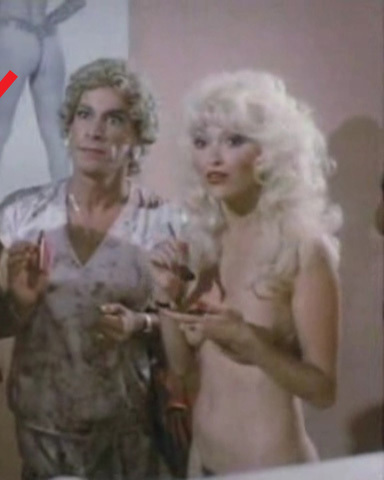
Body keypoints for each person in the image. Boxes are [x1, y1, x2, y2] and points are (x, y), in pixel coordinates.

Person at [0, 57, 180, 480]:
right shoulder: (19, 216)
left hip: (131, 431)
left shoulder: (165, 223)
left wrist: (140, 324)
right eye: (84, 115)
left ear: (137, 135)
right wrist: (19, 301)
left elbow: (186, 331)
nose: (95, 130)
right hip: (44, 429)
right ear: (68, 127)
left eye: (114, 119)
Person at [150, 70, 342, 476]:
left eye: (234, 140)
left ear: (270, 152)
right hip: (202, 463)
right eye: (202, 142)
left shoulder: (303, 248)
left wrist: (250, 342)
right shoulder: (204, 243)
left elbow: (323, 390)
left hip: (271, 468)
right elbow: (182, 368)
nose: (214, 157)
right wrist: (166, 298)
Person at [0, 0, 86, 242]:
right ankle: (68, 217)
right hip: (48, 40)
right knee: (55, 137)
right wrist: (50, 19)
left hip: (14, 36)